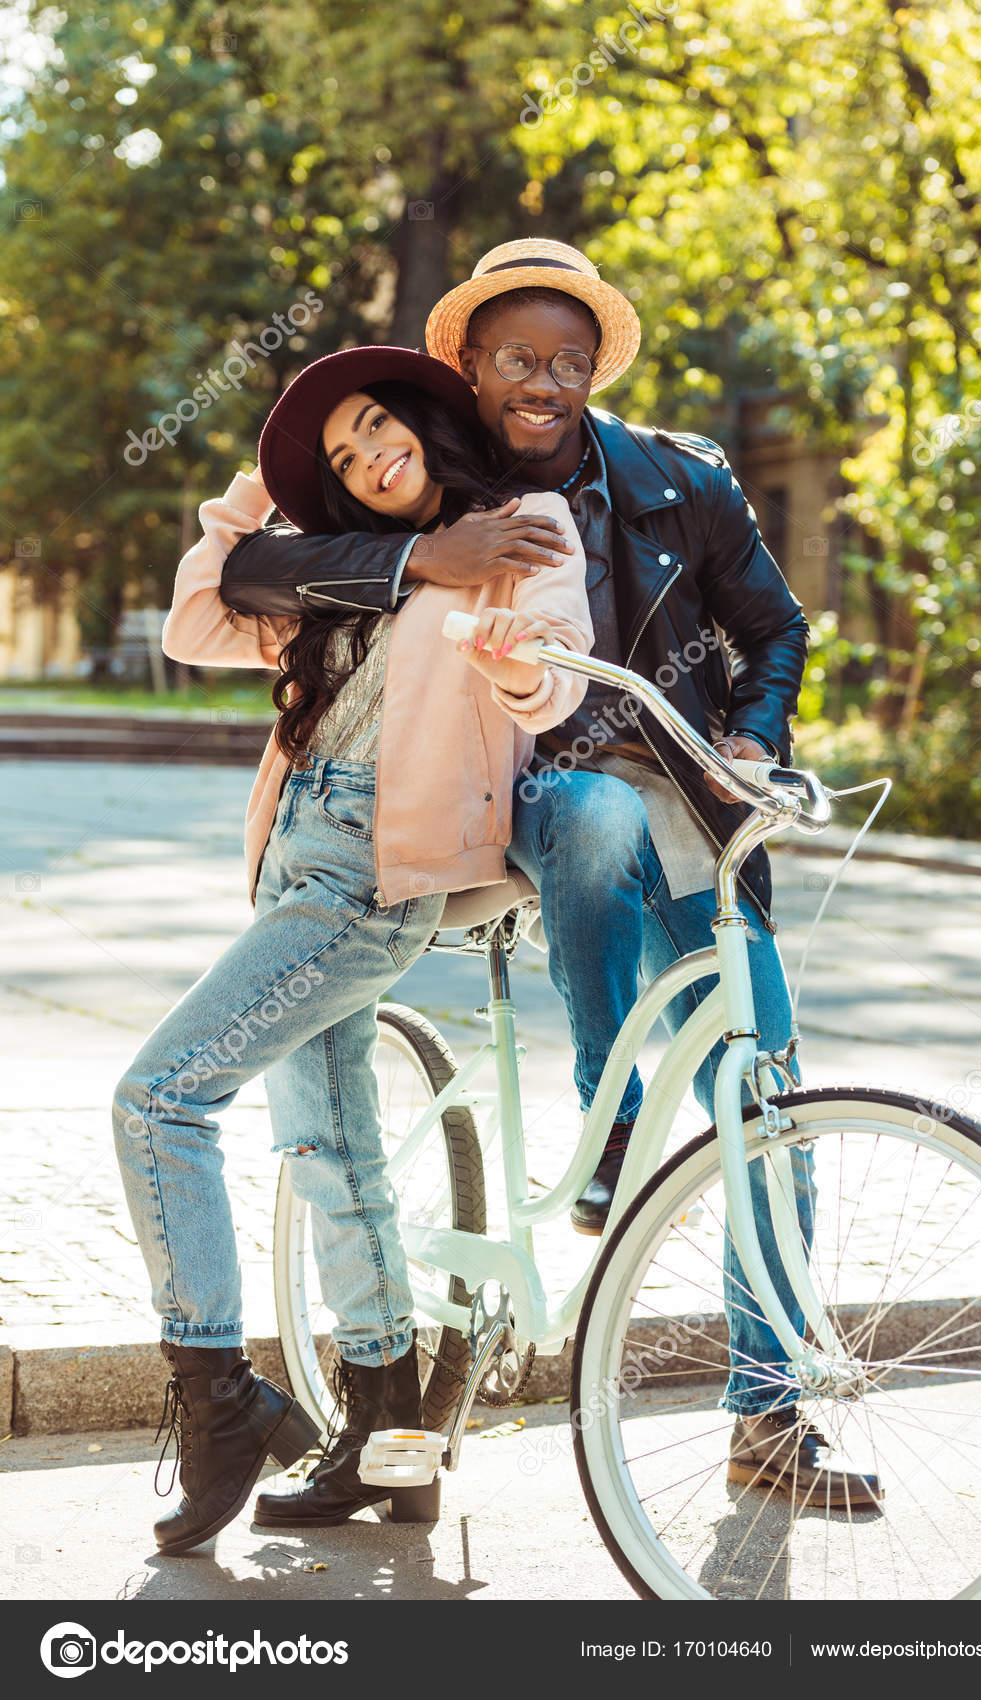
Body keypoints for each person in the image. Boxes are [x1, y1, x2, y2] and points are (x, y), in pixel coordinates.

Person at [219, 241, 881, 1505]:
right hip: (515, 794)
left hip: (685, 794)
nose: (545, 380)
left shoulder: (683, 479)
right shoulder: (421, 474)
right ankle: (607, 1105)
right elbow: (249, 569)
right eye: (517, 358)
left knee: (766, 1100)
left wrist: (755, 736)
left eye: (568, 360)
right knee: (583, 810)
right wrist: (416, 560)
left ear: (594, 370)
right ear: (467, 368)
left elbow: (774, 626)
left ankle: (770, 1410)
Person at [112, 345, 593, 1553]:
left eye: (379, 427)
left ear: (428, 422)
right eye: (341, 460)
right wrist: (270, 474)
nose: (370, 456)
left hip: (370, 880)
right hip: (298, 859)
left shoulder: (522, 523)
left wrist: (517, 664)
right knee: (332, 1147)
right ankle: (388, 1439)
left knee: (160, 1096)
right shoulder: (339, 576)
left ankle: (223, 1399)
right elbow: (192, 616)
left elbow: (552, 681)